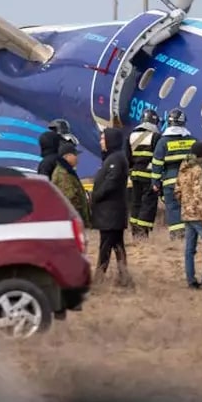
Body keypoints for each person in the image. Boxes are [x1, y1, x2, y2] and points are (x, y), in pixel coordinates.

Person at [89, 127, 132, 286]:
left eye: (103, 139)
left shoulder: (116, 159)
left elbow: (111, 182)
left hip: (111, 213)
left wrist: (96, 195)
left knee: (106, 246)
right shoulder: (111, 158)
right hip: (109, 213)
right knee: (117, 246)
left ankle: (99, 279)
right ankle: (124, 277)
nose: (101, 142)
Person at [175, 142, 202, 289]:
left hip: (187, 213)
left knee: (189, 249)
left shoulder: (183, 168)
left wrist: (186, 204)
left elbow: (177, 191)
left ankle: (191, 280)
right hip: (198, 214)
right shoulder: (198, 170)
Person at [150, 109, 195, 240]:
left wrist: (155, 183)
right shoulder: (192, 140)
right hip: (189, 181)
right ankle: (191, 235)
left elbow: (157, 164)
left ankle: (177, 236)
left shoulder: (163, 142)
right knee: (190, 208)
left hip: (171, 182)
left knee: (173, 209)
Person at [127, 109, 162, 239]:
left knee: (136, 202)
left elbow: (127, 157)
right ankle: (142, 232)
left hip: (135, 175)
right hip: (149, 176)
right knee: (148, 204)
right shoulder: (156, 137)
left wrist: (131, 170)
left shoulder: (131, 136)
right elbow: (158, 157)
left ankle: (135, 231)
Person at [51, 142, 90, 226]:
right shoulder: (63, 174)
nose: (77, 157)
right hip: (71, 223)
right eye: (75, 154)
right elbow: (69, 199)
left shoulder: (67, 171)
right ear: (67, 156)